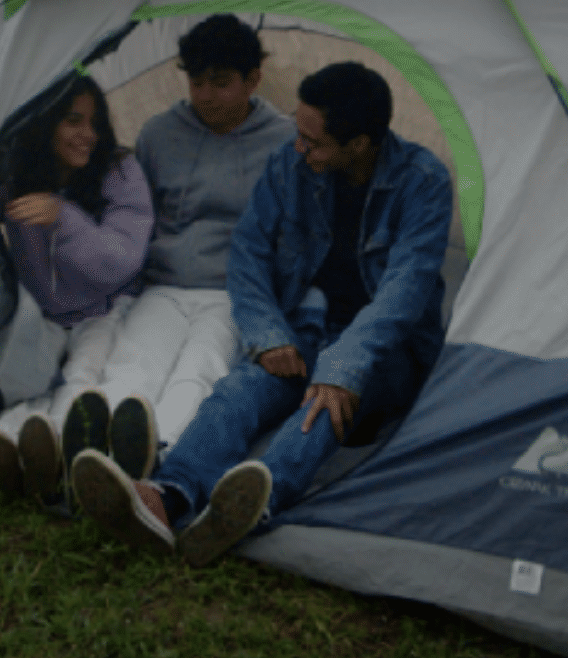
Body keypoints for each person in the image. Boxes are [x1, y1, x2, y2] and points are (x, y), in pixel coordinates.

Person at [72, 61, 453, 567]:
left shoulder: (423, 181)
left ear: (359, 144)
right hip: (307, 326)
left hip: (384, 347)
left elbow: (404, 292)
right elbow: (248, 255)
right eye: (299, 132)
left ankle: (256, 503)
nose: (299, 148)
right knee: (239, 390)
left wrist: (343, 367)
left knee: (322, 408)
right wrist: (269, 334)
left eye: (314, 142)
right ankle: (170, 496)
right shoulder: (288, 165)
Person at [102, 15, 296, 472]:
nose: (205, 95)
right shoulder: (158, 133)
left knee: (200, 368)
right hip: (164, 283)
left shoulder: (285, 143)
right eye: (196, 81)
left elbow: (294, 238)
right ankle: (96, 447)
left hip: (234, 291)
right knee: (134, 363)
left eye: (221, 83)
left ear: (253, 80)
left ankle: (159, 454)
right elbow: (135, 219)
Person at [0, 76, 152, 504]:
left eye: (94, 123)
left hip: (107, 305)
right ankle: (6, 439)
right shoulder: (24, 178)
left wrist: (63, 217)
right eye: (73, 121)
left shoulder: (120, 171)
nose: (87, 134)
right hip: (47, 309)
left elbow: (120, 261)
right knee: (25, 374)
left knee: (83, 370)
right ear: (45, 124)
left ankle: (67, 446)